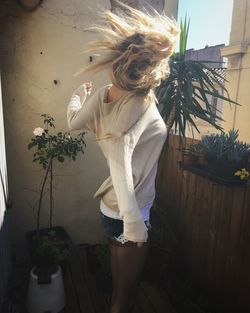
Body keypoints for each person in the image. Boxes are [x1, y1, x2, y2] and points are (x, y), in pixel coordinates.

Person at [67, 3, 179, 313]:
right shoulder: (139, 103)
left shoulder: (105, 93)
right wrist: (135, 225)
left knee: (120, 288)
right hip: (130, 210)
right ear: (150, 64)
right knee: (125, 298)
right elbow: (119, 162)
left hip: (110, 206)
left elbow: (74, 122)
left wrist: (77, 96)